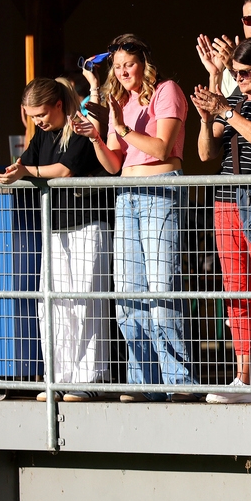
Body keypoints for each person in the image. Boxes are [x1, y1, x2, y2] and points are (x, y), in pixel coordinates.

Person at [73, 34, 197, 403]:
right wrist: (97, 135)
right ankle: (144, 383)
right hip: (126, 194)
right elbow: (114, 163)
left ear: (144, 63)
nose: (123, 71)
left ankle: (180, 382)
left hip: (160, 188)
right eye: (117, 66)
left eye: (130, 64)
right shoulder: (119, 102)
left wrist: (124, 129)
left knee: (162, 288)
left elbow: (160, 148)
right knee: (129, 293)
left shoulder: (166, 91)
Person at [0, 78, 114, 402]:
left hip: (87, 224)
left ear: (59, 105)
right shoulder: (43, 134)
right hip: (55, 227)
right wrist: (15, 170)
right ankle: (58, 378)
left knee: (86, 301)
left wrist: (25, 172)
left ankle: (89, 379)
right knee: (54, 303)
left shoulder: (80, 126)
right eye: (33, 116)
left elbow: (63, 171)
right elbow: (28, 164)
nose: (38, 121)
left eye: (42, 114)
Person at [191, 38, 251, 405]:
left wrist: (228, 112)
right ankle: (243, 374)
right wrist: (206, 119)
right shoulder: (230, 101)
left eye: (246, 73)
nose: (240, 79)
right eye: (235, 73)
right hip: (226, 201)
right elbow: (205, 154)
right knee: (235, 287)